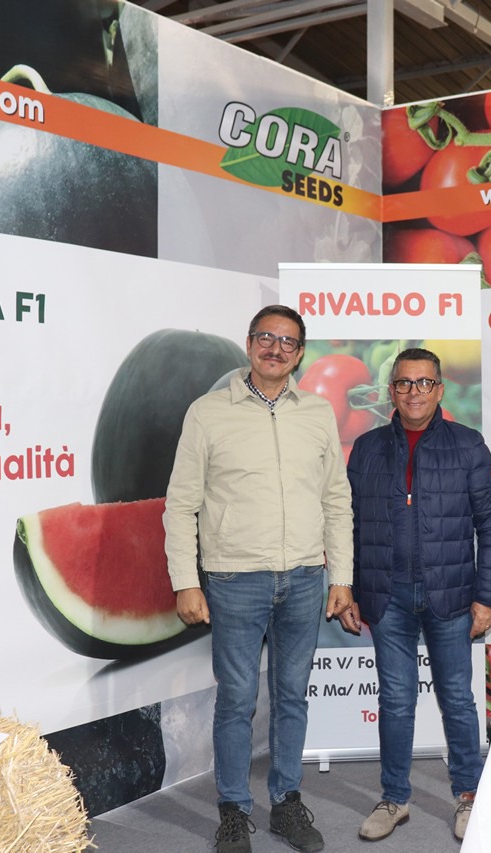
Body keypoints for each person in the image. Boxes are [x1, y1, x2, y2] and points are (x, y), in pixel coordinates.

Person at [163, 305, 359, 853]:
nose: (276, 348)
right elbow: (181, 505)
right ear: (250, 344)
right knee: (237, 699)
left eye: (288, 341)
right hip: (234, 580)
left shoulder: (317, 412)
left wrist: (341, 576)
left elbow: (336, 499)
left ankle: (287, 803)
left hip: (305, 578)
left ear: (300, 353)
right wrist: (185, 580)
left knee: (292, 696)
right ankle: (233, 810)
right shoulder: (207, 413)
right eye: (266, 338)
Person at [345, 347, 491, 843]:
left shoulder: (468, 444)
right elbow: (348, 525)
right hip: (386, 596)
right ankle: (394, 798)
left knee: (457, 699)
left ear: (440, 389)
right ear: (391, 391)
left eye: (424, 383)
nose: (414, 392)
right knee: (395, 701)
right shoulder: (367, 448)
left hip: (452, 595)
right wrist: (349, 589)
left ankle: (469, 796)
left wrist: (487, 596)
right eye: (404, 383)